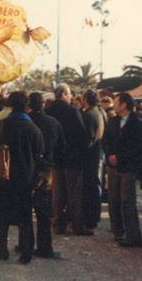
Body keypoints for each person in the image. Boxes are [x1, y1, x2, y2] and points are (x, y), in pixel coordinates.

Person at [0, 91, 43, 264]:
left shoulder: (1, 125)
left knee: (1, 214)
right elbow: (40, 154)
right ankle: (26, 252)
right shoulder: (33, 129)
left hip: (3, 176)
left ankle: (3, 248)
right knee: (25, 216)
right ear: (26, 106)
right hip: (25, 177)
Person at [103, 92, 142, 247]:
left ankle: (133, 235)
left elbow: (137, 147)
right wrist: (110, 155)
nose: (114, 104)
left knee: (127, 201)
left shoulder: (137, 124)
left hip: (128, 167)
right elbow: (106, 140)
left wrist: (119, 157)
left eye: (116, 102)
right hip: (113, 167)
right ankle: (117, 231)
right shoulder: (113, 122)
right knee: (113, 199)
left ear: (123, 105)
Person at [46, 83, 91, 236]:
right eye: (70, 94)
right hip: (73, 158)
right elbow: (82, 135)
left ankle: (58, 225)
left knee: (57, 193)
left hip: (56, 158)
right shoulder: (73, 111)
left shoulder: (49, 111)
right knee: (74, 194)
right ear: (65, 94)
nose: (71, 96)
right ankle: (77, 225)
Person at [28, 91, 65, 258]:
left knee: (26, 210)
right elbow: (61, 147)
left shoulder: (28, 122)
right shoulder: (53, 123)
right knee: (43, 212)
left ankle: (26, 245)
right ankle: (45, 248)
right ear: (43, 104)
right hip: (46, 170)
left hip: (28, 169)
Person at [82, 89, 105, 229]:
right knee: (94, 187)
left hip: (89, 156)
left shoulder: (89, 115)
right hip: (95, 155)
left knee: (89, 188)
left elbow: (88, 138)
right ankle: (93, 217)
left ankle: (90, 219)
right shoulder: (99, 113)